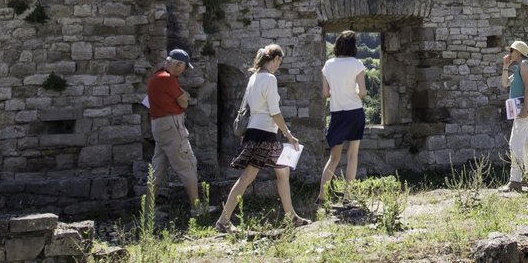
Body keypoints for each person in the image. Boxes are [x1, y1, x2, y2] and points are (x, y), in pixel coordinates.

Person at [215, 44, 311, 232]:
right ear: (275, 59)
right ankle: (223, 221)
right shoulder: (269, 78)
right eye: (279, 62)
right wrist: (289, 135)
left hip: (256, 131)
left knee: (282, 172)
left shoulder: (253, 78)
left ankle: (291, 216)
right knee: (247, 177)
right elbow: (274, 112)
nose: (278, 66)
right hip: (265, 134)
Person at [147, 48, 213, 216]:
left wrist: (183, 97)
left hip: (159, 125)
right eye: (183, 66)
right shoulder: (168, 79)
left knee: (157, 167)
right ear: (177, 64)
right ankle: (197, 208)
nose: (183, 70)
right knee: (188, 163)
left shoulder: (156, 77)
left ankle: (148, 210)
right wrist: (184, 96)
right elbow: (184, 103)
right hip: (172, 125)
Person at [317, 30, 368, 205]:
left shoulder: (328, 65)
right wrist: (352, 91)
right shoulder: (357, 64)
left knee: (334, 158)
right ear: (354, 46)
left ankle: (321, 197)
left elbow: (325, 93)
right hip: (355, 112)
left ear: (337, 45)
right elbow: (362, 93)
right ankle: (348, 196)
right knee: (353, 155)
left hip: (337, 113)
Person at [500, 40, 528, 192]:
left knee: (514, 143)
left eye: (512, 51)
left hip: (524, 110)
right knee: (526, 143)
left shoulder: (524, 65)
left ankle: (515, 181)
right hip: (524, 110)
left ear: (519, 52)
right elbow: (504, 84)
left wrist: (524, 109)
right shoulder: (518, 68)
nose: (509, 54)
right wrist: (505, 67)